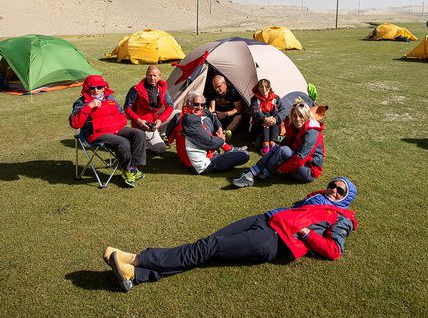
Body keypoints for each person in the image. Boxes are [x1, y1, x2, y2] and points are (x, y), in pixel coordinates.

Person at [103, 177, 358, 291]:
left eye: (340, 191)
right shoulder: (315, 199)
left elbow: (334, 251)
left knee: (209, 248)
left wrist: (304, 233)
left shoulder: (341, 217)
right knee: (208, 247)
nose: (333, 191)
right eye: (333, 185)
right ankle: (136, 275)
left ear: (346, 199)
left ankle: (138, 259)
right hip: (264, 219)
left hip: (273, 241)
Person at [69, 75, 147, 187]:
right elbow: (74, 123)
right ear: (87, 88)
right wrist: (89, 106)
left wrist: (116, 124)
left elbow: (122, 114)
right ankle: (129, 170)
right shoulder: (82, 102)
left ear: (104, 87)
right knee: (122, 142)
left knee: (139, 134)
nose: (96, 90)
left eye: (99, 87)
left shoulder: (110, 98)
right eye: (92, 88)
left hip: (115, 129)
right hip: (96, 133)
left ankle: (133, 168)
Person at [232, 98, 324, 187]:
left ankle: (261, 174)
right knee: (277, 148)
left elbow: (300, 159)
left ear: (307, 116)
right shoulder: (295, 126)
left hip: (308, 171)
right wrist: (276, 151)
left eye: (301, 116)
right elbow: (286, 141)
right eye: (295, 116)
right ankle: (253, 171)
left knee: (284, 150)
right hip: (297, 162)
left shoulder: (311, 133)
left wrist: (281, 169)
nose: (298, 119)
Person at [170, 92, 249, 174]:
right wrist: (221, 140)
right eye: (196, 104)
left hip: (194, 158)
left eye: (202, 105)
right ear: (188, 103)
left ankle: (228, 150)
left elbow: (210, 115)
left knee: (207, 119)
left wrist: (220, 131)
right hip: (202, 165)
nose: (200, 108)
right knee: (244, 155)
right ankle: (228, 151)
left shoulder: (184, 114)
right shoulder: (190, 120)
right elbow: (209, 142)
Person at [123, 66, 173, 155]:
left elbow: (170, 106)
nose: (152, 78)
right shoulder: (136, 89)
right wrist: (138, 120)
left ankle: (161, 134)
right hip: (143, 124)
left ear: (159, 77)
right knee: (161, 149)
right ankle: (139, 139)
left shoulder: (162, 88)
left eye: (154, 75)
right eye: (150, 75)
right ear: (146, 76)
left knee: (177, 114)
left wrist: (160, 120)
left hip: (156, 120)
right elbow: (127, 108)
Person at [249, 78, 283, 155]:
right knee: (267, 114)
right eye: (261, 87)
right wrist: (265, 119)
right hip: (259, 126)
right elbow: (255, 111)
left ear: (270, 88)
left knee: (274, 113)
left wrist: (275, 118)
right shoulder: (255, 99)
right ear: (258, 88)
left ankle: (272, 142)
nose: (264, 89)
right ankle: (266, 143)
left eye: (266, 86)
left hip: (274, 125)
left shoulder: (276, 98)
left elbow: (283, 110)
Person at [207, 75, 243, 140]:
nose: (217, 89)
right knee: (212, 115)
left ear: (224, 83)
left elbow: (238, 109)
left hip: (230, 115)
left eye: (218, 86)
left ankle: (225, 134)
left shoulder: (233, 91)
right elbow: (212, 108)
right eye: (215, 87)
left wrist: (225, 114)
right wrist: (211, 115)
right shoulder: (213, 92)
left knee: (238, 117)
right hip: (218, 115)